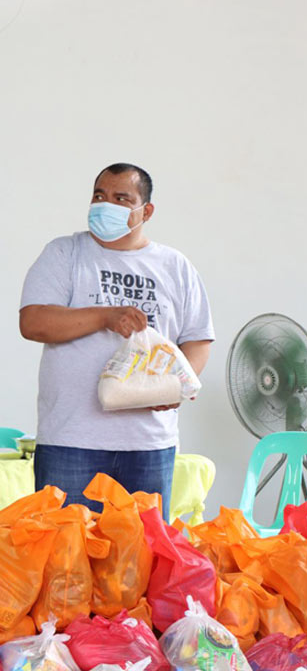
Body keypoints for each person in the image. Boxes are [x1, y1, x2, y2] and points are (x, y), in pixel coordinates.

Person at [19, 164, 214, 520]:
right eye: (99, 196)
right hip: (70, 440)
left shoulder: (175, 266)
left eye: (121, 198)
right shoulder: (65, 254)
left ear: (146, 211)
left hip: (149, 444)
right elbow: (33, 322)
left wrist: (175, 388)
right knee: (66, 559)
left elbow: (198, 341)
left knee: (139, 562)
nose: (105, 205)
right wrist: (104, 316)